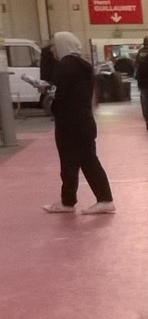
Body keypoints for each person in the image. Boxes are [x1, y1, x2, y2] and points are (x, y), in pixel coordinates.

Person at [41, 32, 115, 215]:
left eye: (54, 46)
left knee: (78, 162)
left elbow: (61, 94)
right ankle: (69, 201)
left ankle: (102, 200)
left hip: (69, 122)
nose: (52, 50)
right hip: (83, 120)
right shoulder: (84, 65)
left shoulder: (64, 66)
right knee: (78, 161)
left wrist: (49, 97)